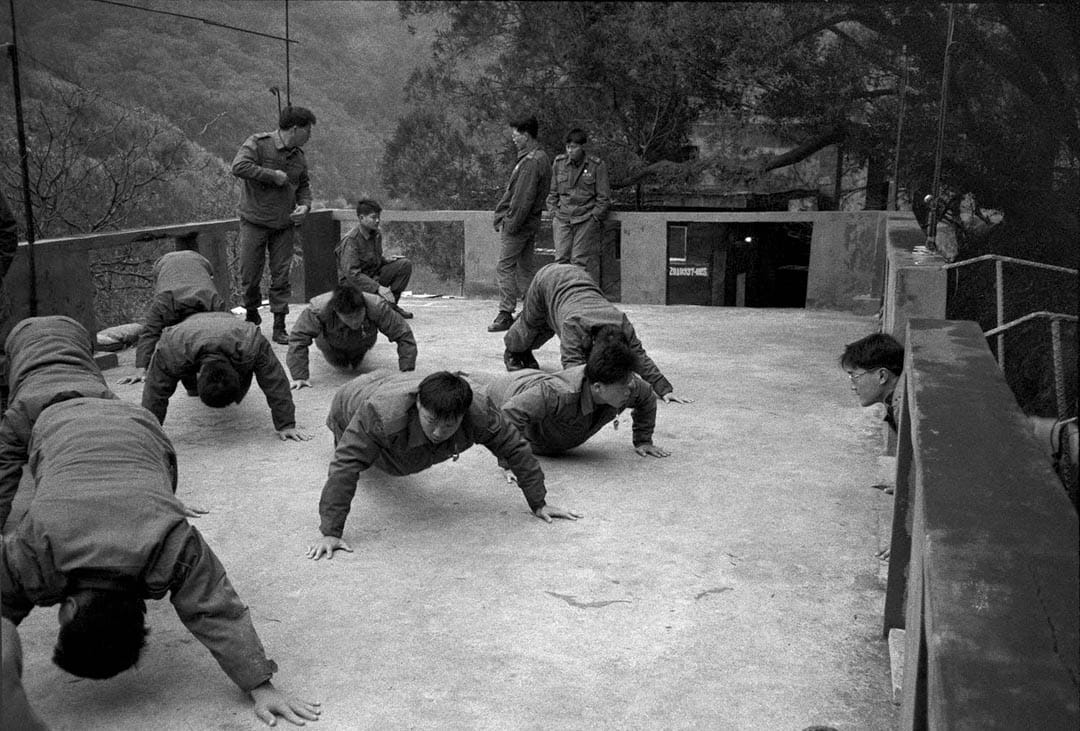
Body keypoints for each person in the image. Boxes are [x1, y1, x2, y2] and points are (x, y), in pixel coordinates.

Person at [0, 396, 320, 727]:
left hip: (93, 424)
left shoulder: (35, 546)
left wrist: (261, 685)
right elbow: (212, 607)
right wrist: (260, 686)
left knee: (154, 491)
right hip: (88, 424)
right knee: (154, 488)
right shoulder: (37, 545)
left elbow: (214, 607)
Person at [307, 371, 581, 560]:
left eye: (449, 424)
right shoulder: (379, 415)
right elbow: (345, 466)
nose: (438, 432)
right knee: (357, 457)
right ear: (417, 404)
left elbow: (516, 449)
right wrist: (330, 532)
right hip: (351, 399)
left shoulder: (479, 411)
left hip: (393, 381)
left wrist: (539, 503)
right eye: (430, 421)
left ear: (463, 414)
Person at [485, 326, 669, 482]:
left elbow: (647, 397)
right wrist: (509, 463)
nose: (630, 390)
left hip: (540, 404)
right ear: (598, 387)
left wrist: (643, 440)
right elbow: (510, 413)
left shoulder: (626, 385)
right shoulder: (557, 393)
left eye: (630, 382)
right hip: (506, 390)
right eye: (623, 386)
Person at [503, 263, 691, 403]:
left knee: (546, 328)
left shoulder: (622, 322)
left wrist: (664, 389)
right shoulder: (573, 325)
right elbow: (572, 366)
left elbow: (638, 356)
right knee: (530, 328)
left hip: (578, 280)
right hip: (548, 280)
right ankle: (514, 351)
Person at [0, 316, 117, 527]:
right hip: (89, 394)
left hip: (32, 401)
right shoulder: (104, 397)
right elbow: (138, 447)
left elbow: (4, 471)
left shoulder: (21, 412)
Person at [141, 312, 310, 441]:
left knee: (181, 365)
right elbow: (155, 390)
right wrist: (149, 433)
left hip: (228, 325)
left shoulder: (251, 342)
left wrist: (286, 424)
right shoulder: (171, 349)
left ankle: (193, 388)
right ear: (198, 376)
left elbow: (274, 380)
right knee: (174, 371)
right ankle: (192, 388)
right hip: (188, 328)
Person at [231, 105, 316, 344]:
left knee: (281, 276)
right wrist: (272, 174)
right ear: (296, 128)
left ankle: (279, 325)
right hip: (254, 221)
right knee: (249, 273)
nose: (309, 136)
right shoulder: (258, 143)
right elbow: (239, 167)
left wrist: (305, 206)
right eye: (307, 131)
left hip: (283, 225)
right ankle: (251, 312)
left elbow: (304, 186)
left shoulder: (299, 157)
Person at [118, 249, 227, 385]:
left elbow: (149, 334)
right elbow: (149, 334)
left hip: (197, 262)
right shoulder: (164, 303)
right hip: (172, 264)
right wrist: (141, 368)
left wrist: (141, 368)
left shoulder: (211, 300)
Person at [287, 283, 417, 389]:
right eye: (349, 317)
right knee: (339, 363)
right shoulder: (318, 309)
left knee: (355, 363)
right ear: (337, 312)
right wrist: (299, 376)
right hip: (330, 344)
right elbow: (299, 338)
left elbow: (403, 334)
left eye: (358, 315)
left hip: (363, 341)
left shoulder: (377, 306)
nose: (355, 321)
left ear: (364, 308)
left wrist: (406, 370)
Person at [488, 115, 551, 333]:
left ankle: (506, 312)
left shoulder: (532, 162)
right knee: (525, 269)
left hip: (519, 225)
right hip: (529, 223)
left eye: (516, 134)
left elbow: (522, 199)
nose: (513, 138)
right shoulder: (538, 158)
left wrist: (509, 223)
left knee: (505, 267)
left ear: (526, 135)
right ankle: (535, 311)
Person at [546, 128, 610, 284]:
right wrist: (553, 211)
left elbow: (604, 197)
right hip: (562, 218)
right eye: (568, 147)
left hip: (585, 218)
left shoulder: (596, 165)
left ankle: (578, 295)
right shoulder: (559, 163)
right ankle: (560, 294)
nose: (570, 151)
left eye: (574, 147)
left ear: (582, 147)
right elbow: (552, 192)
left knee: (579, 261)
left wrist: (594, 217)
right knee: (560, 259)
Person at [336, 198, 414, 319]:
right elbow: (352, 274)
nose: (377, 220)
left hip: (372, 277)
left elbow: (372, 260)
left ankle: (390, 307)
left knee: (404, 265)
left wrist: (385, 260)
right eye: (373, 217)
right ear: (361, 218)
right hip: (354, 286)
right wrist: (378, 288)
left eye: (378, 217)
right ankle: (374, 308)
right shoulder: (351, 240)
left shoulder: (376, 234)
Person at [840, 332, 904, 433]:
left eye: (855, 376)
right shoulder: (896, 401)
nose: (853, 387)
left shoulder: (901, 411)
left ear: (882, 376)